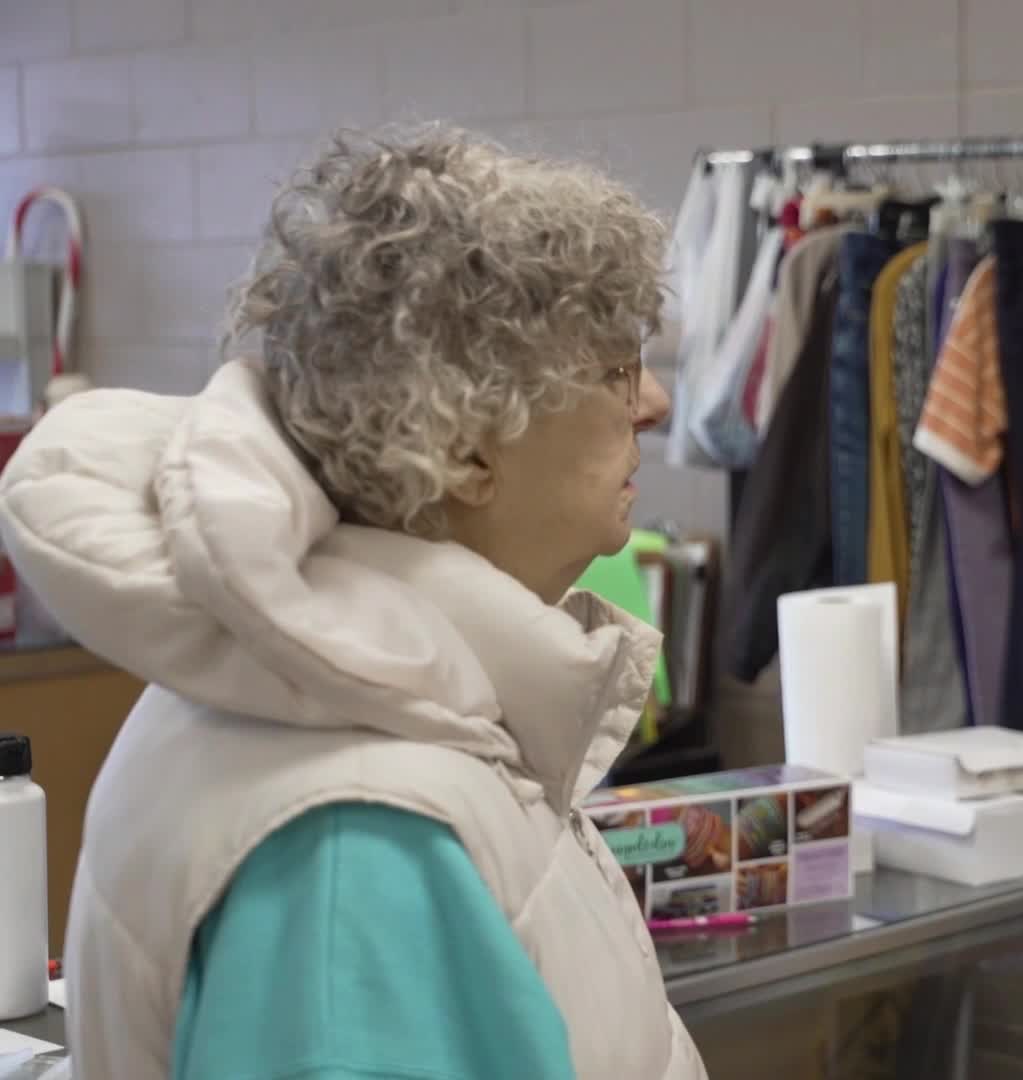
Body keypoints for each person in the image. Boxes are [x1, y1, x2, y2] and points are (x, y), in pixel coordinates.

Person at [0, 125, 707, 1079]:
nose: (654, 402)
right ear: (464, 447)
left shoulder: (395, 713)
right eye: (616, 368)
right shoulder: (356, 839)